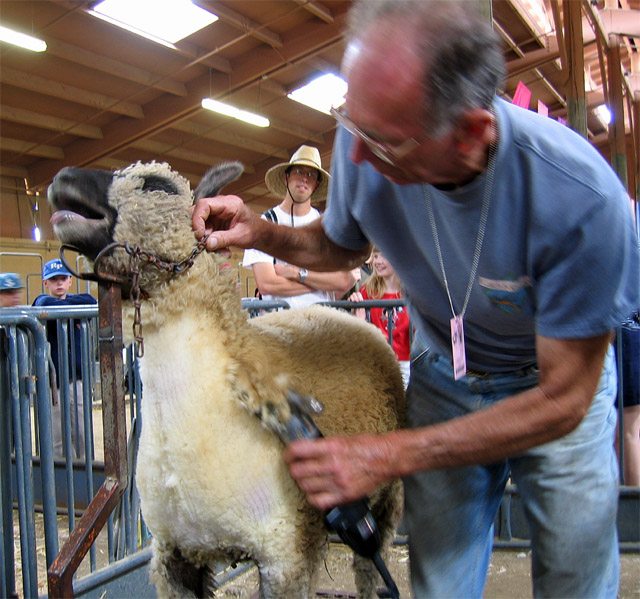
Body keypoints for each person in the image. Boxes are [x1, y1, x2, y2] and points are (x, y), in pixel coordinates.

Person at [191, 1, 640, 597]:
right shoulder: (370, 136)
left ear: (471, 132)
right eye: (350, 123)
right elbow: (339, 247)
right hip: (445, 371)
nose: (354, 159)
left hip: (550, 388)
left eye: (382, 141)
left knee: (574, 570)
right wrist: (262, 232)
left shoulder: (582, 202)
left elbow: (565, 400)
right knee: (440, 578)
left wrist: (388, 454)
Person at [242, 145, 354, 308]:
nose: (304, 179)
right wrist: (321, 282)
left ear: (316, 184)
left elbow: (344, 281)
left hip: (321, 323)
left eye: (311, 174)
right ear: (286, 178)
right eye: (299, 172)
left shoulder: (328, 226)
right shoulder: (265, 224)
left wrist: (297, 273)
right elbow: (267, 284)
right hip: (281, 325)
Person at [33, 259, 97, 459]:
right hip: (53, 383)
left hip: (76, 380)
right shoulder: (41, 302)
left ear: (70, 281)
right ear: (45, 283)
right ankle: (60, 481)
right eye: (54, 280)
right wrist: (72, 312)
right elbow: (43, 303)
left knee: (82, 433)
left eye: (63, 279)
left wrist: (64, 309)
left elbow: (91, 301)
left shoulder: (80, 300)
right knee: (57, 437)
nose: (59, 284)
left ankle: (85, 474)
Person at [349, 249, 410, 387]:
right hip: (375, 359)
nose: (378, 261)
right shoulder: (367, 290)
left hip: (403, 362)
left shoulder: (410, 293)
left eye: (384, 255)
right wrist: (355, 306)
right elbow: (357, 325)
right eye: (375, 256)